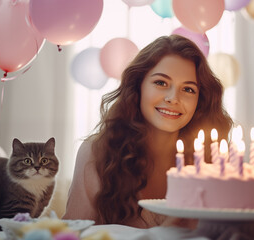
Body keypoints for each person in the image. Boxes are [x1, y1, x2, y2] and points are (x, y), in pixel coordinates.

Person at [62, 35, 233, 228]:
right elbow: (72, 233)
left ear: (199, 101)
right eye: (161, 83)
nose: (172, 98)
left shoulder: (211, 160)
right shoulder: (98, 153)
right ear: (138, 86)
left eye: (188, 89)